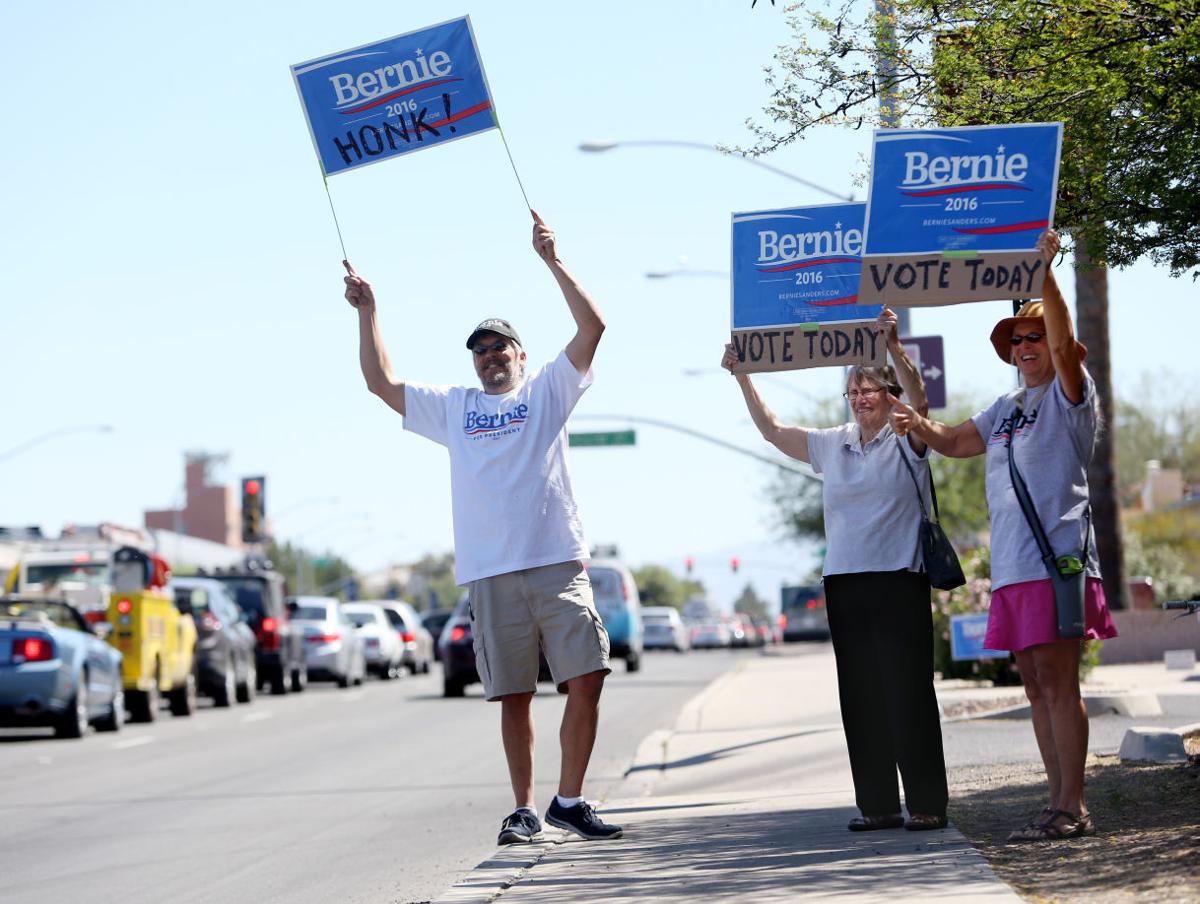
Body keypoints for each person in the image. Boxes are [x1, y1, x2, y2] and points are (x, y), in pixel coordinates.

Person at [343, 212, 622, 845]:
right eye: (480, 350)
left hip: (555, 562)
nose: (490, 356)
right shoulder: (455, 407)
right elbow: (380, 383)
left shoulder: (549, 390)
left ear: (521, 355)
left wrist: (554, 261)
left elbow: (594, 327)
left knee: (588, 674)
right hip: (490, 571)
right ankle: (523, 810)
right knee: (514, 694)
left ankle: (569, 800)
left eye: (500, 347)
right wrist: (369, 312)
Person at [888, 230, 1117, 841]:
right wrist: (917, 421)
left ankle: (1076, 806)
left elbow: (1067, 339)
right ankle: (1055, 802)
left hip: (1058, 561)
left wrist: (1044, 273)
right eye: (1017, 339)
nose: (1024, 346)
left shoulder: (1071, 395)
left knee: (1059, 683)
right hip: (1015, 567)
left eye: (1033, 336)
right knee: (1036, 685)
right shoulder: (1006, 406)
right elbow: (957, 441)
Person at [721, 309, 949, 832]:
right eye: (854, 389)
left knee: (908, 692)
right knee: (862, 697)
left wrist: (892, 344)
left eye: (871, 388)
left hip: (899, 579)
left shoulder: (907, 435)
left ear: (888, 393)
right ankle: (878, 806)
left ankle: (927, 804)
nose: (862, 396)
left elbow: (920, 398)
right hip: (846, 584)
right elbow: (774, 431)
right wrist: (743, 375)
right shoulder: (833, 443)